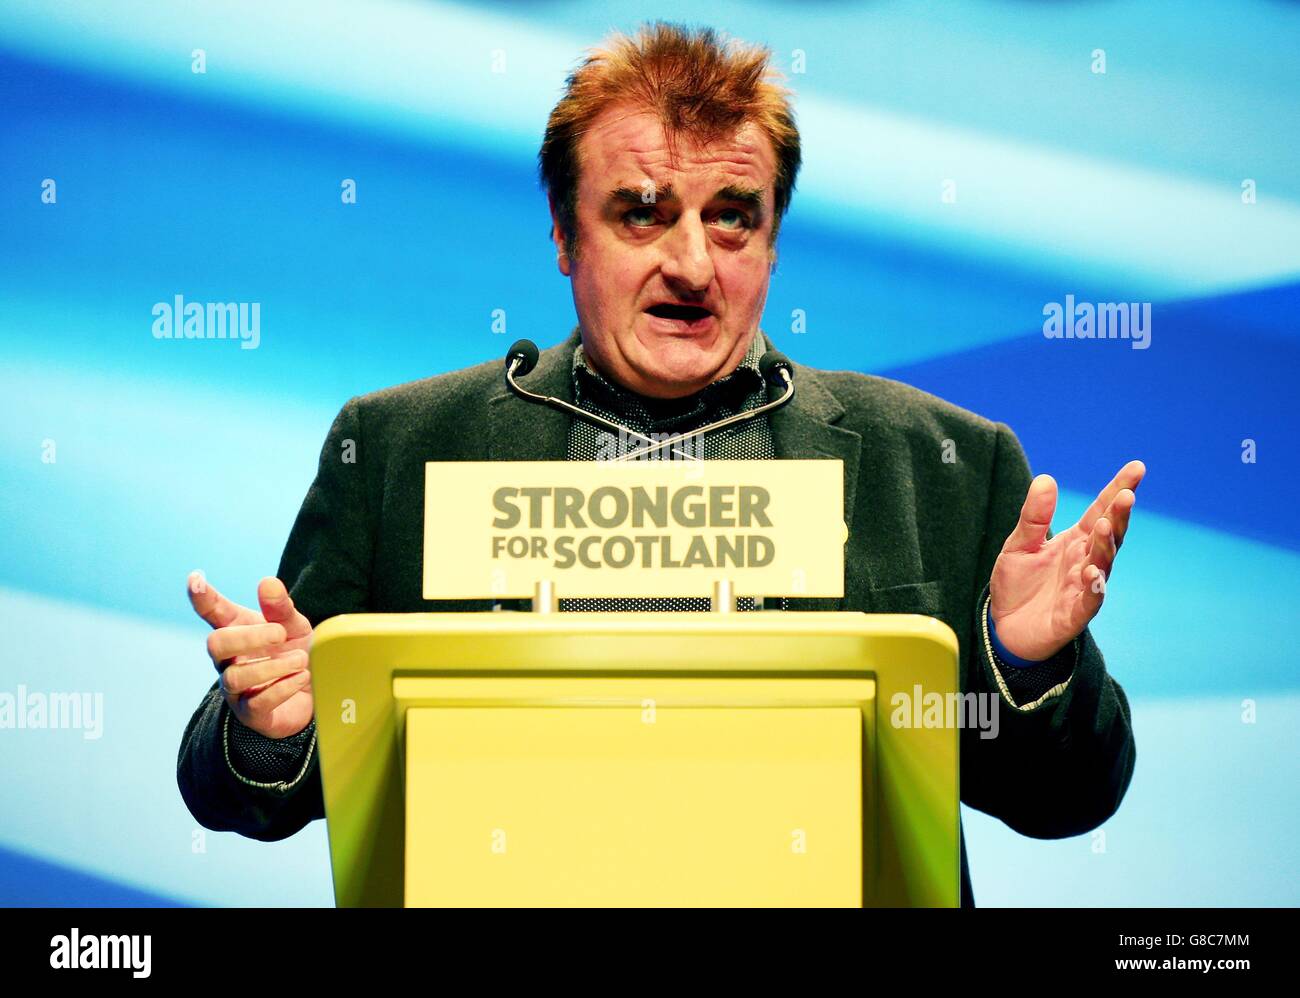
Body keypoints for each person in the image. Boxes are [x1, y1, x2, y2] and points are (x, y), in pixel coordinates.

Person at [177, 22, 1141, 907]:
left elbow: (1069, 801)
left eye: (732, 218)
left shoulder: (943, 465)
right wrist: (274, 726)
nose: (692, 263)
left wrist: (1024, 662)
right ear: (563, 234)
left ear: (772, 242)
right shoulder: (400, 451)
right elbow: (243, 791)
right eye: (642, 213)